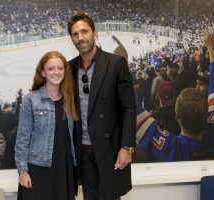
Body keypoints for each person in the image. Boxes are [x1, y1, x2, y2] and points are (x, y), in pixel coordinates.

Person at [67, 13, 136, 200]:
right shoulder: (69, 68)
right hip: (83, 151)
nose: (80, 38)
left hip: (110, 149)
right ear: (72, 39)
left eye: (84, 31)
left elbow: (128, 108)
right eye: (75, 34)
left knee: (111, 197)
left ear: (94, 34)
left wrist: (126, 147)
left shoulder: (115, 64)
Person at [136, 26, 214, 162]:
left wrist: (210, 47)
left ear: (177, 115)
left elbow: (131, 110)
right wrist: (211, 48)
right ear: (208, 115)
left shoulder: (171, 148)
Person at [14, 51, 79, 200]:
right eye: (51, 69)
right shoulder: (31, 100)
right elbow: (22, 139)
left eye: (60, 68)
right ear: (43, 72)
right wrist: (22, 171)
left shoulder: (70, 99)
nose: (56, 72)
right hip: (38, 169)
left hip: (63, 168)